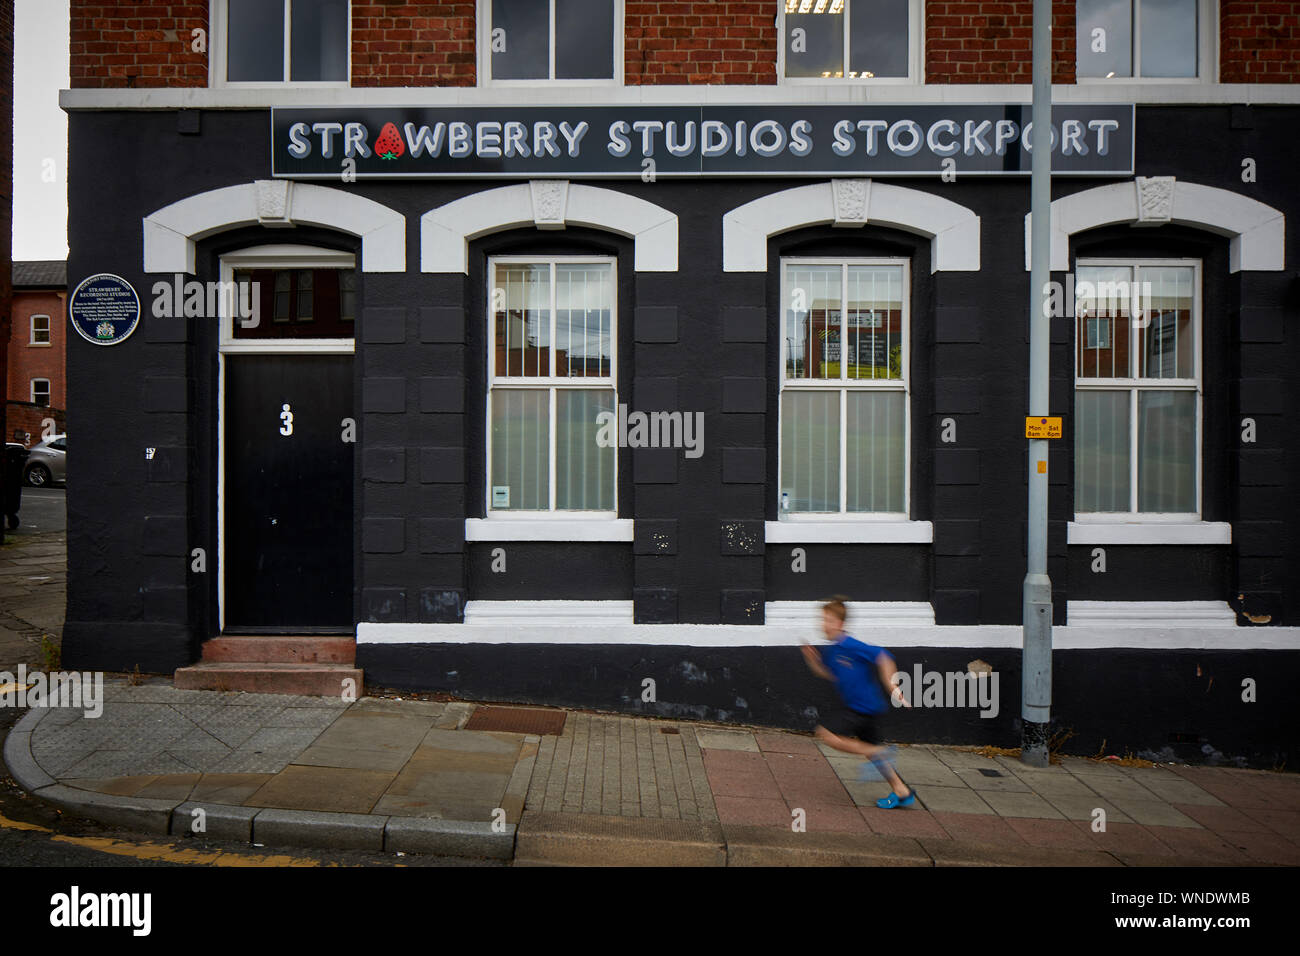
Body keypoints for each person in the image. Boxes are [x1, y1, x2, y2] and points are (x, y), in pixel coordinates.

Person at [801, 597, 917, 809]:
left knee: (826, 734)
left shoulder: (851, 645)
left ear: (840, 624)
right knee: (872, 749)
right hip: (864, 708)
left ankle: (876, 752)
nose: (823, 624)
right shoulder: (831, 651)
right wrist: (811, 659)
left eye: (828, 620)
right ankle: (902, 791)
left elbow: (883, 657)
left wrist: (894, 687)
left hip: (863, 707)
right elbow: (828, 674)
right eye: (822, 619)